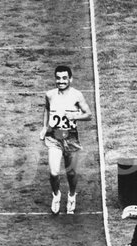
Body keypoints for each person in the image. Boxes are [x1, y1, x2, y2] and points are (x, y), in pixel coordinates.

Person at [39, 65, 92, 214]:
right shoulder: (49, 94)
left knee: (71, 173)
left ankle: (72, 196)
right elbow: (47, 109)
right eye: (58, 78)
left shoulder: (77, 95)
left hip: (71, 138)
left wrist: (75, 116)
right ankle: (56, 195)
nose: (61, 81)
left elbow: (88, 114)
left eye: (64, 78)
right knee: (54, 172)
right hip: (54, 137)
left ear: (70, 79)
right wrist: (44, 127)